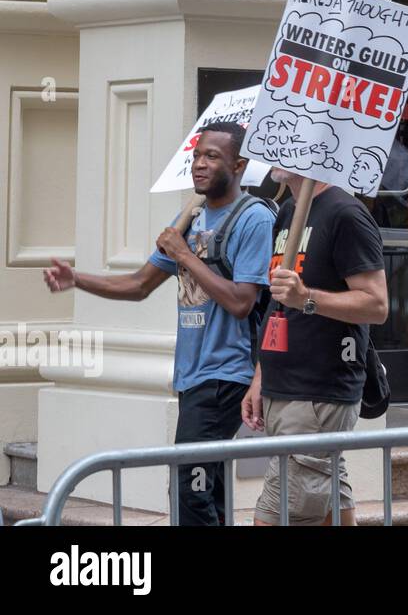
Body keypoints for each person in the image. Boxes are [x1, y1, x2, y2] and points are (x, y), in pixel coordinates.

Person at [44, 122, 274, 526]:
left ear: (238, 165)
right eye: (196, 156)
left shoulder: (252, 219)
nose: (199, 165)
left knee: (189, 489)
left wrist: (184, 254)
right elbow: (138, 284)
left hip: (224, 376)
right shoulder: (192, 216)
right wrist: (76, 279)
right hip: (190, 375)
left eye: (211, 157)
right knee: (206, 489)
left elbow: (242, 302)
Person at [242, 169, 389, 526]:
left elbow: (377, 305)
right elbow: (278, 305)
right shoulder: (289, 210)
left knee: (280, 514)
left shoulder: (345, 213)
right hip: (288, 384)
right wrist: (262, 374)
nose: (276, 146)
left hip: (316, 389)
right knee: (327, 502)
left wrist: (306, 298)